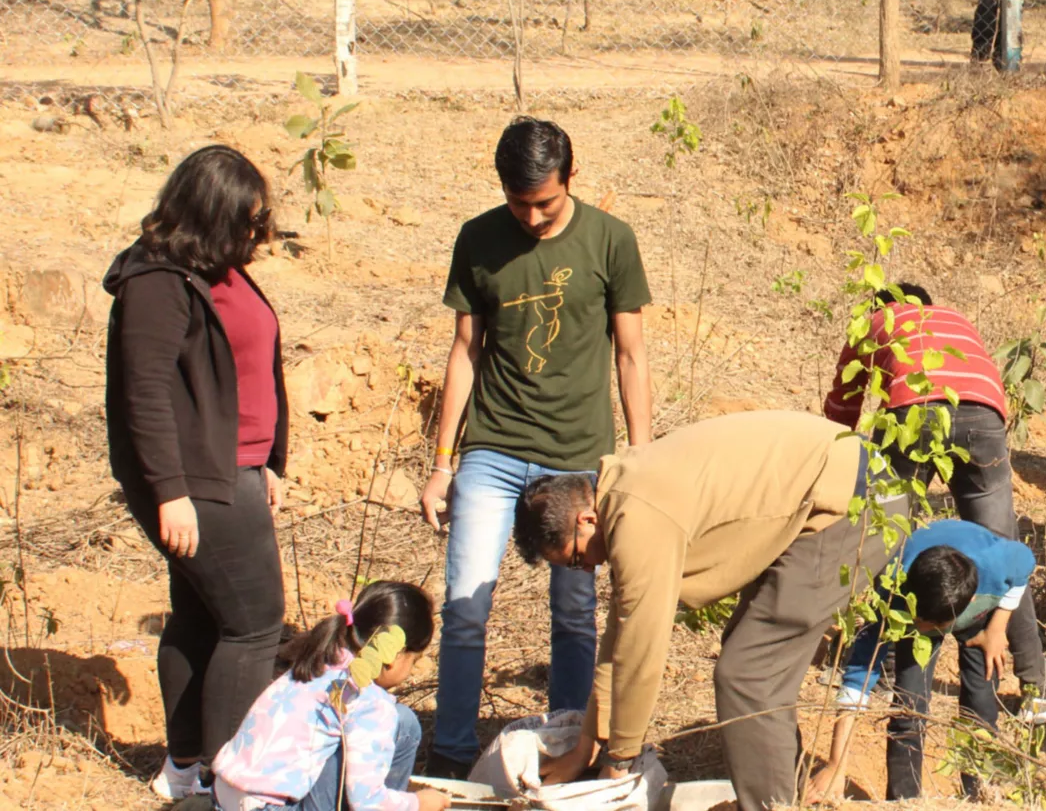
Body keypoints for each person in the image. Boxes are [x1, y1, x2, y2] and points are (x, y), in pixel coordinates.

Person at [509, 410, 914, 811]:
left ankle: (771, 806)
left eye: (577, 559)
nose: (588, 568)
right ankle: (784, 795)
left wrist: (620, 760)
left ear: (586, 519)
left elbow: (641, 651)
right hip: (844, 483)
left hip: (857, 501)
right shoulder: (624, 493)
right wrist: (587, 743)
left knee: (749, 673)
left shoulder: (638, 516)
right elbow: (619, 638)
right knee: (750, 656)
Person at [417, 116, 653, 777]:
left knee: (575, 615)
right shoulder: (478, 238)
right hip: (493, 448)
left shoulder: (611, 241)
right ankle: (453, 756)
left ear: (571, 178)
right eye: (519, 203)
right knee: (466, 605)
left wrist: (641, 458)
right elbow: (465, 351)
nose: (530, 216)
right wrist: (443, 465)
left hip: (579, 454)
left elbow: (631, 357)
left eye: (544, 203)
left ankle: (567, 750)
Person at [103, 144, 289, 799]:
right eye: (245, 220)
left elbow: (248, 366)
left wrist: (270, 459)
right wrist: (170, 493)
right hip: (199, 481)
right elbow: (145, 395)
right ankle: (235, 780)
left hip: (234, 469)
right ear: (210, 215)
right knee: (256, 624)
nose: (255, 233)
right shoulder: (157, 280)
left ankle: (184, 769)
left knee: (200, 617)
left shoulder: (216, 268)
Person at [821, 282, 1046, 719]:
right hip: (984, 418)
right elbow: (984, 380)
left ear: (881, 308)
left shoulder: (873, 322)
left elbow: (841, 413)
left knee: (887, 541)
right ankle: (1038, 690)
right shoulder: (956, 320)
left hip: (914, 412)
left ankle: (880, 666)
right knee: (1005, 549)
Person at [807, 519, 1038, 801]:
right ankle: (905, 800)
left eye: (932, 625)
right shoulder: (893, 591)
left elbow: (1025, 563)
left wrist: (997, 628)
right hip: (926, 601)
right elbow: (860, 674)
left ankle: (980, 797)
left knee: (981, 706)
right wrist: (835, 764)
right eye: (920, 622)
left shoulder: (998, 563)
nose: (924, 628)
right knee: (909, 707)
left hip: (977, 613)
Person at [211, 581, 450, 811]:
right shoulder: (369, 702)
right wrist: (418, 804)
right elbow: (368, 804)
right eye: (414, 659)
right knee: (404, 722)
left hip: (224, 797)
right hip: (271, 807)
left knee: (398, 721)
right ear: (394, 656)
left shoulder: (321, 659)